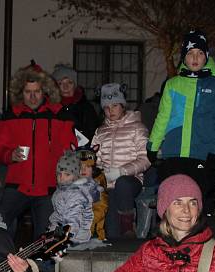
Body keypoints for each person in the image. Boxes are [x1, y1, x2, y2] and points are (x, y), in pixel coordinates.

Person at [147, 30, 215, 212]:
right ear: (184, 57)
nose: (195, 58)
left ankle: (195, 238)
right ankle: (172, 237)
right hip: (174, 151)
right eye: (191, 53)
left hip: (201, 152)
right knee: (172, 199)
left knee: (197, 200)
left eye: (200, 53)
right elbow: (163, 117)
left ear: (206, 56)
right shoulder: (172, 84)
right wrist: (153, 146)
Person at [0, 61, 77, 240]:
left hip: (48, 187)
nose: (32, 97)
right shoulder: (11, 115)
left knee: (46, 237)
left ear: (44, 91)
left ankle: (43, 268)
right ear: (21, 93)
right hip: (18, 184)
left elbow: (70, 150)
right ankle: (0, 262)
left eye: (36, 92)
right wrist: (10, 155)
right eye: (28, 92)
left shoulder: (59, 115)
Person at [91, 83, 149, 238]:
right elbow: (95, 160)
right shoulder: (100, 132)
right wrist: (99, 175)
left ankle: (128, 225)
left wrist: (121, 171)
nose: (111, 111)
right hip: (108, 186)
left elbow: (145, 159)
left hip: (131, 181)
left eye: (115, 106)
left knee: (122, 183)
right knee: (112, 232)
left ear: (123, 106)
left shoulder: (137, 128)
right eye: (106, 107)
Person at [48, 150, 99, 244]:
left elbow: (74, 218)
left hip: (77, 235)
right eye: (59, 174)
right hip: (64, 231)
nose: (62, 178)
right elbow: (58, 214)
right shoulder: (61, 190)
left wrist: (65, 236)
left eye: (67, 174)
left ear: (75, 176)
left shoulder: (76, 193)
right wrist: (52, 229)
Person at [52, 64, 99, 143]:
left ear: (75, 85)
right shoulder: (49, 108)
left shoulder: (86, 108)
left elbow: (93, 135)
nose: (65, 87)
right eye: (61, 83)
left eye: (70, 82)